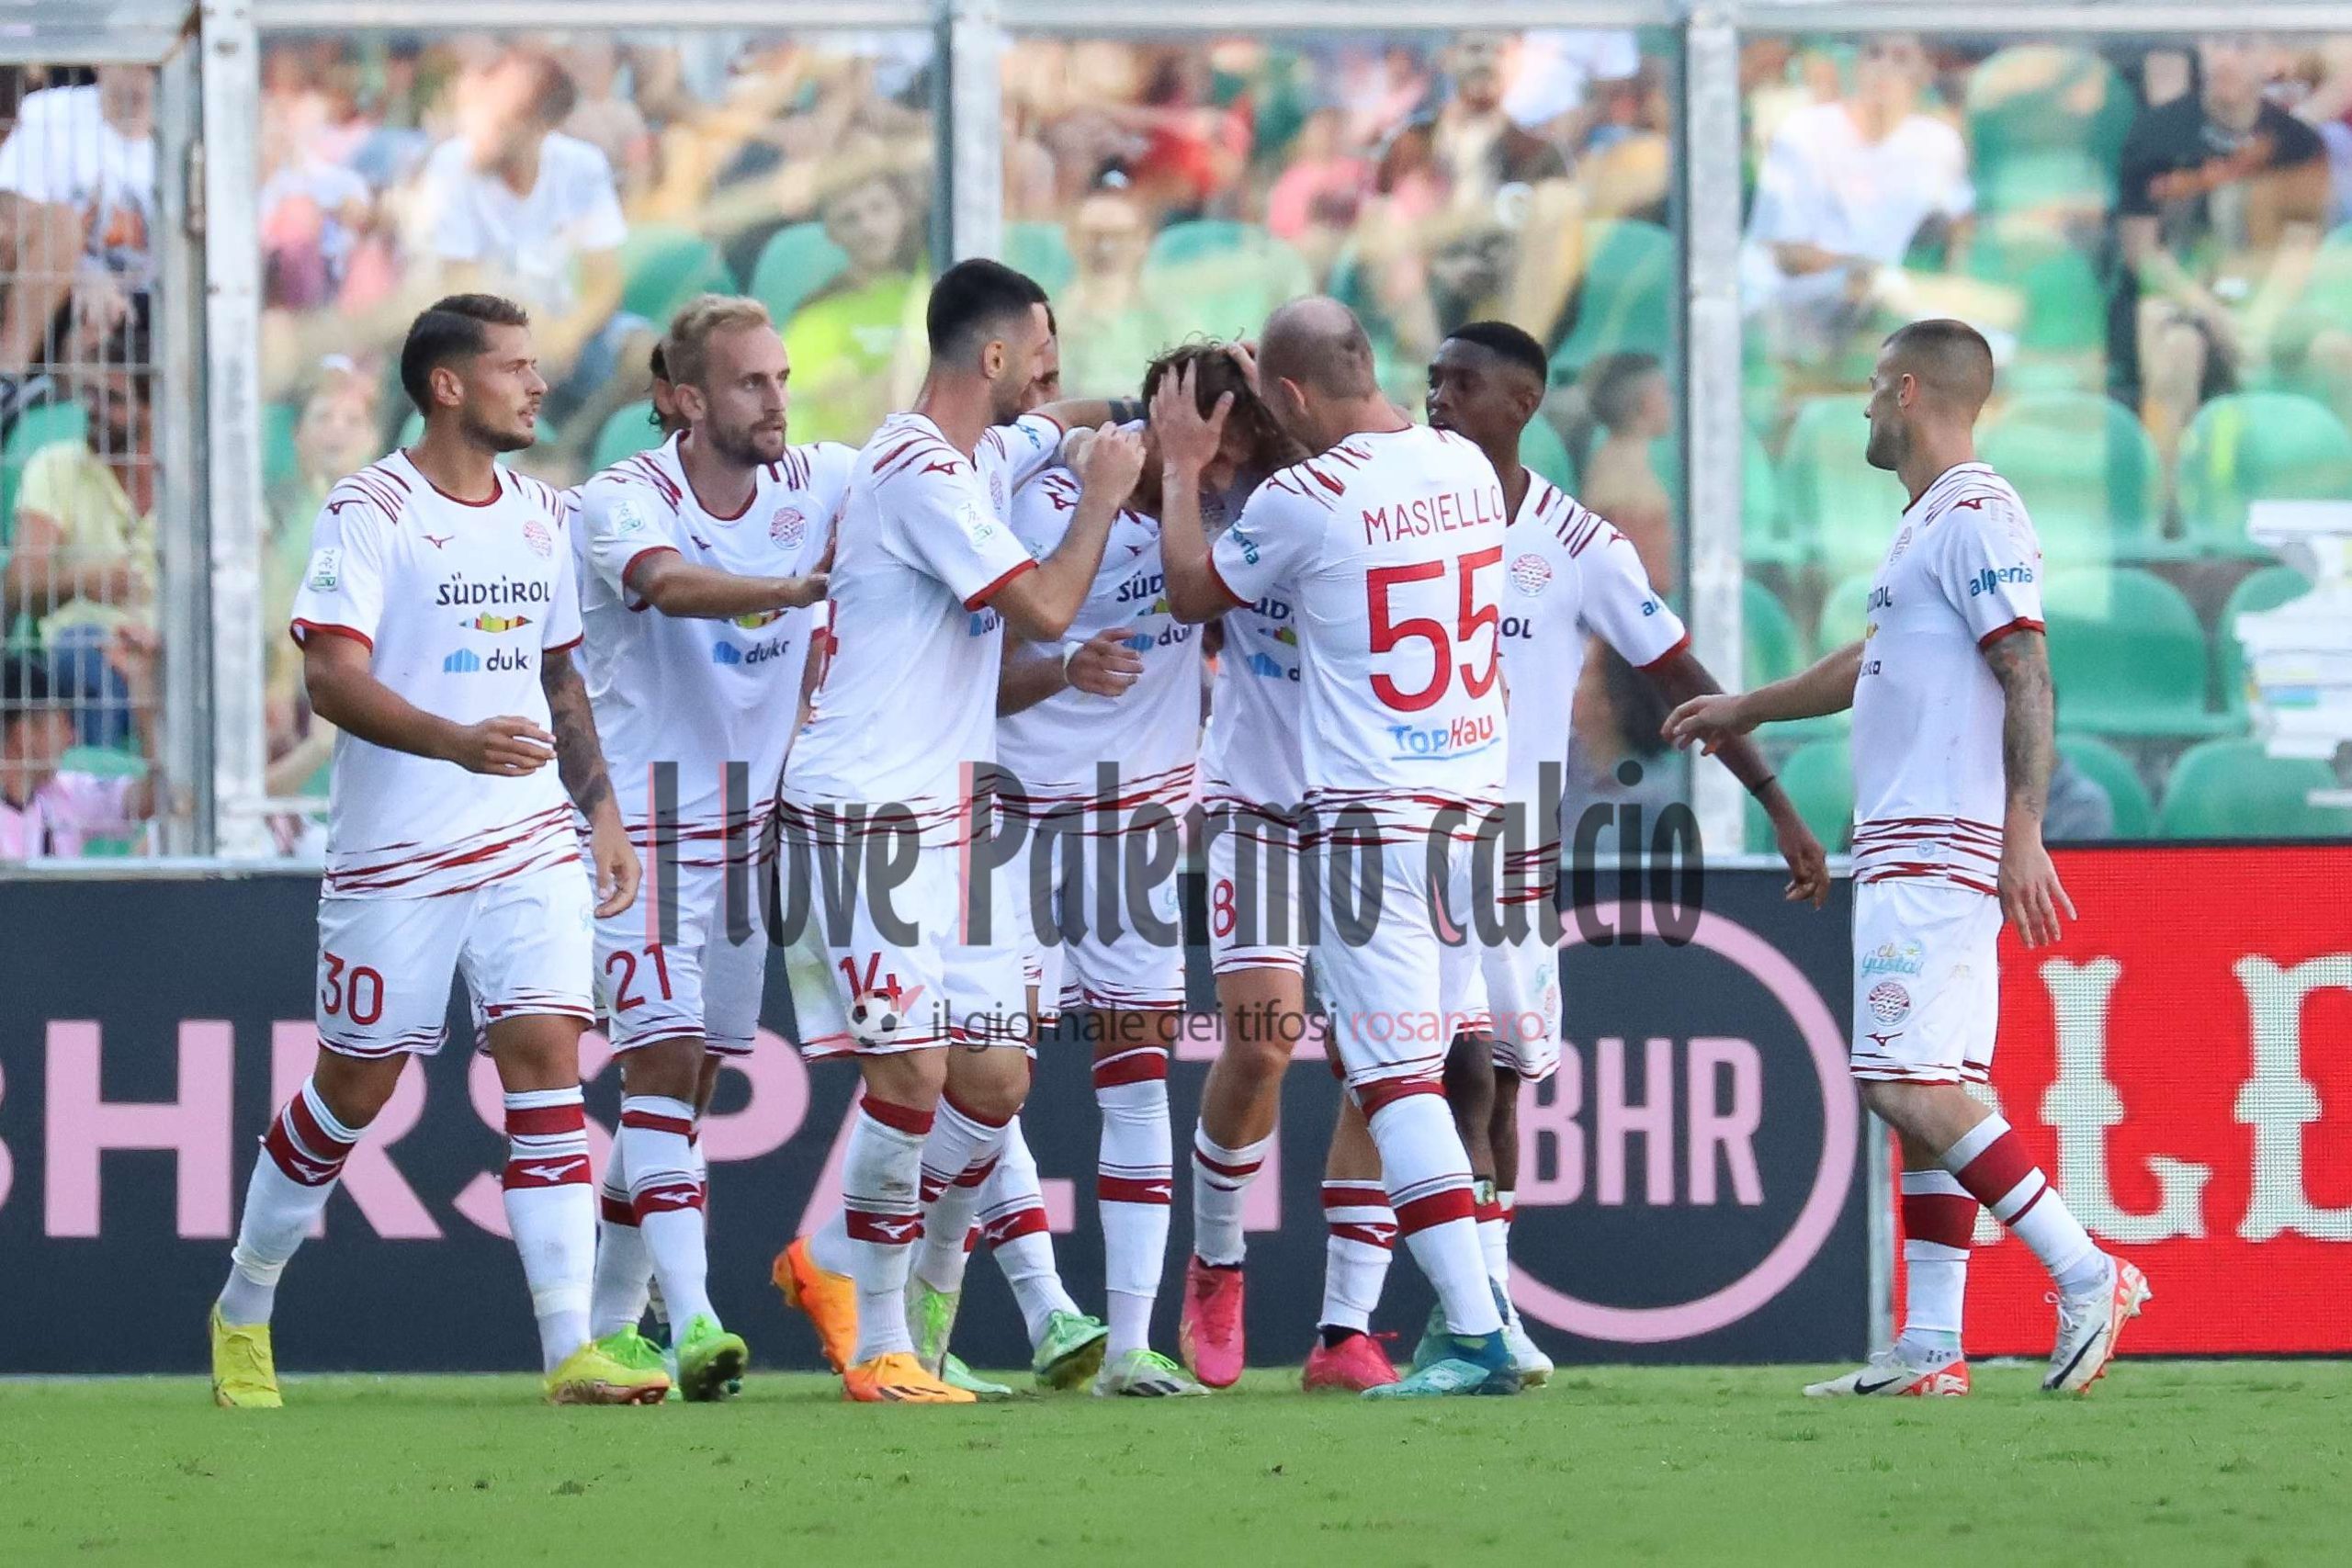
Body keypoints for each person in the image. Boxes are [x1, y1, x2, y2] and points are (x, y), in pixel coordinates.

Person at [1667, 318, 2150, 1398]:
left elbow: (2026, 667)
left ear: (1914, 391)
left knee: (1902, 1084)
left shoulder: (1978, 513)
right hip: (1908, 839)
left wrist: (2022, 830)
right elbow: (1874, 658)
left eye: (1876, 387)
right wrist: (1748, 705)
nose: (1863, 407)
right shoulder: (1928, 523)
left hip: (1939, 840)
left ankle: (2086, 1273)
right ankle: (1932, 1346)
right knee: (1940, 1085)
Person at [208, 293, 662, 1409]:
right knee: (351, 1093)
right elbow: (329, 678)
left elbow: (560, 675)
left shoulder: (543, 516)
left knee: (548, 1056)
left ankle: (569, 1353)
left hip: (527, 838)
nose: (539, 383)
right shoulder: (371, 512)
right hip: (397, 855)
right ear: (449, 386)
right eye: (515, 367)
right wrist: (455, 740)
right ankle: (245, 1302)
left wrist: (597, 811)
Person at [1399, 319, 1827, 1381]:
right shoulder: (1392, 519)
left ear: (1523, 407)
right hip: (1406, 831)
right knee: (1437, 1068)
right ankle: (1475, 1319)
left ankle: (1484, 1313)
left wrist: (1773, 801)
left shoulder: (1577, 544)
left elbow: (1682, 680)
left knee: (1491, 1079)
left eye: (1463, 385)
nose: (1438, 400)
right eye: (1432, 381)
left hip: (1509, 842)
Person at [773, 258, 1126, 1404]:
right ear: (992, 356)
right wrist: (1110, 496)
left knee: (995, 1075)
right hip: (867, 809)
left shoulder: (980, 450)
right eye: (1042, 352)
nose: (1052, 373)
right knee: (912, 1068)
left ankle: (873, 1270)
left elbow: (1061, 426)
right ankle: (880, 1338)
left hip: (956, 814)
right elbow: (1043, 608)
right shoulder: (916, 468)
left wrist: (1122, 419)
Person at [1155, 297, 1519, 1399]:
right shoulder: (1455, 464)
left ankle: (1359, 1327)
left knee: (1383, 1073)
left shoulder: (1304, 498)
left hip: (1366, 809)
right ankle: (1219, 1258)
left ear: (1286, 403)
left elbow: (1190, 590)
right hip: (1295, 799)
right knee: (1267, 1042)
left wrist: (1183, 472)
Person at [567, 294, 838, 1401]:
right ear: (681, 399)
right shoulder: (621, 497)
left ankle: (606, 1324)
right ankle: (696, 1323)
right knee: (664, 1062)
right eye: (748, 383)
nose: (775, 399)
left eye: (779, 378)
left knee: (681, 1090)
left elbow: (947, 445)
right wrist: (788, 591)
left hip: (744, 844)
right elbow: (668, 588)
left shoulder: (818, 485)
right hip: (636, 835)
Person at [2114, 35, 2327, 458]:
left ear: (2270, 57)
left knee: (2335, 352)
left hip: (2267, 300)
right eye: (2216, 45)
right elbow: (2142, 252)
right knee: (2179, 348)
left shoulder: (2299, 142)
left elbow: (2300, 249)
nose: (2225, 59)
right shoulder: (2155, 133)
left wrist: (2262, 319)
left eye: (2243, 46)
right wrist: (2212, 315)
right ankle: (2168, 506)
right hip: (2177, 298)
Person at [420, 50, 649, 440]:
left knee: (650, 356)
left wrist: (569, 332)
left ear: (541, 126)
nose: (477, 129)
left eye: (498, 122)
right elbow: (460, 289)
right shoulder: (450, 167)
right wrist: (527, 339)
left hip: (569, 329)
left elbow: (604, 283)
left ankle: (582, 448)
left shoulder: (582, 165)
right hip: (484, 335)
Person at [1739, 35, 1973, 370]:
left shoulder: (1940, 143)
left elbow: (1957, 233)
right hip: (1798, 310)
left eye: (1900, 58)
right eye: (1874, 54)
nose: (1884, 69)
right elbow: (1787, 253)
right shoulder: (1804, 133)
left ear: (1925, 71)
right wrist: (1865, 273)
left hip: (1901, 312)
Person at [2, 303, 156, 747]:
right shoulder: (56, 466)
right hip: (93, 648)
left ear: (152, 411)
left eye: (114, 400)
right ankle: (98, 802)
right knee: (84, 651)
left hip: (171, 645)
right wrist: (86, 580)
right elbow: (18, 587)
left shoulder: (193, 478)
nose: (94, 410)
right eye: (90, 395)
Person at [0, 65, 155, 416]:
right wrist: (83, 273)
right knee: (63, 226)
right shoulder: (49, 113)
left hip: (148, 309)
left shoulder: (192, 120)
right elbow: (15, 219)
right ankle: (8, 388)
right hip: (56, 297)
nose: (140, 67)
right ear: (99, 60)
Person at [780, 170, 928, 445]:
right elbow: (792, 416)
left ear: (903, 211)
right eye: (850, 219)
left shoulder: (931, 293)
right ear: (832, 233)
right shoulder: (817, 316)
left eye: (878, 208)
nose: (869, 228)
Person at [0, 637, 159, 858]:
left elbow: (150, 799)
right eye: (63, 724)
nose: (72, 738)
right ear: (24, 734)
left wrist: (143, 698)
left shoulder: (62, 794)